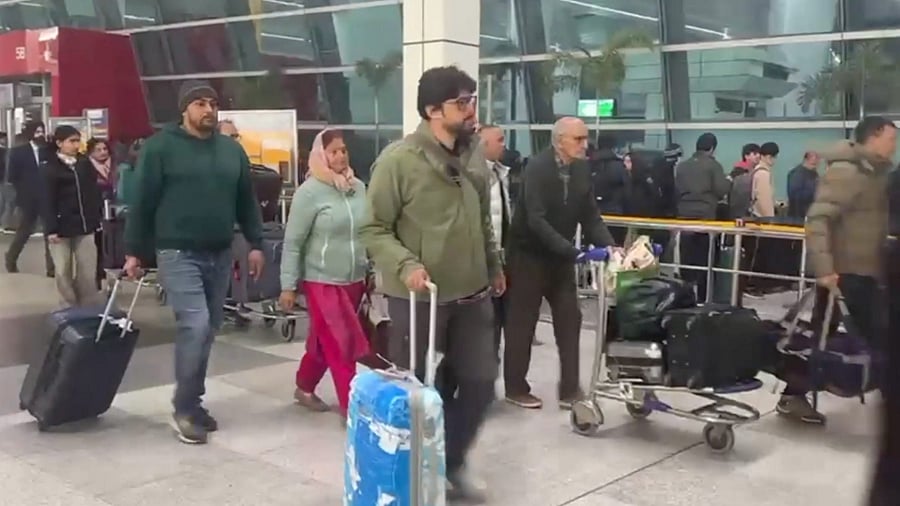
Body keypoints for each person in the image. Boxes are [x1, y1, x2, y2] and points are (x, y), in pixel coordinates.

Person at [360, 65, 503, 503]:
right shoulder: (398, 161)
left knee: (480, 384)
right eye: (462, 102)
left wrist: (494, 263)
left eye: (472, 100)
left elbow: (481, 216)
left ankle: (450, 459)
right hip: (419, 297)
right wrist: (405, 265)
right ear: (431, 109)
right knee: (420, 389)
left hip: (474, 293)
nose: (471, 110)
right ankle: (415, 470)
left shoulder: (472, 153)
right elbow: (374, 228)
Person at [123, 80, 265, 445]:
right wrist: (135, 251)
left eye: (213, 103)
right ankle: (184, 408)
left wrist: (255, 244)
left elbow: (246, 201)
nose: (208, 110)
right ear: (184, 109)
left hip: (219, 252)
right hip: (177, 252)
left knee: (210, 327)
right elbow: (143, 203)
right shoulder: (160, 148)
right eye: (200, 103)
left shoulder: (231, 152)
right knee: (196, 325)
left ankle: (194, 401)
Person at [779, 115, 895, 424]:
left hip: (864, 273)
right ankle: (792, 396)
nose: (894, 145)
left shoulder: (874, 174)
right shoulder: (847, 172)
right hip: (843, 275)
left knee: (846, 338)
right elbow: (818, 220)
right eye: (890, 138)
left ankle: (793, 395)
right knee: (841, 339)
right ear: (873, 137)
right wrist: (825, 269)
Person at [503, 117, 616, 411]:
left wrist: (609, 245)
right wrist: (571, 251)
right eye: (578, 139)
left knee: (570, 320)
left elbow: (590, 215)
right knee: (522, 323)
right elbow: (535, 219)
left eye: (585, 138)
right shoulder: (537, 168)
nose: (584, 144)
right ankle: (516, 387)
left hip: (560, 259)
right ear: (559, 140)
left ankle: (570, 388)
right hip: (528, 256)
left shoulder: (580, 169)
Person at [278, 128, 368, 422]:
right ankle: (351, 409)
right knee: (342, 344)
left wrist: (373, 267)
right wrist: (288, 286)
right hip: (322, 280)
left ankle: (304, 387)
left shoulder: (358, 187)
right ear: (321, 155)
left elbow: (368, 231)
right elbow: (293, 242)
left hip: (354, 278)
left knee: (324, 340)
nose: (340, 156)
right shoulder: (310, 192)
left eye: (344, 150)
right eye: (333, 151)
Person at [40, 126, 103, 307]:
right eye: (72, 141)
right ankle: (67, 306)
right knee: (63, 270)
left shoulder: (84, 164)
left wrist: (95, 217)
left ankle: (88, 306)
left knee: (87, 269)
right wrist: (51, 228)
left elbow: (93, 192)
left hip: (85, 226)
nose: (76, 145)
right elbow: (46, 200)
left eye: (78, 141)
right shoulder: (49, 167)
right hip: (60, 228)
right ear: (59, 143)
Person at [675, 132, 730, 301]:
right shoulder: (713, 166)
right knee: (705, 261)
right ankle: (703, 298)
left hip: (684, 218)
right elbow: (721, 190)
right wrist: (728, 181)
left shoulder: (682, 166)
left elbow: (676, 189)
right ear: (712, 148)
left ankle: (685, 296)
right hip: (705, 218)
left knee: (687, 258)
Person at [479, 124, 512, 362]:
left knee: (497, 321)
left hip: (501, 257)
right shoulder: (477, 178)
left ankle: (489, 370)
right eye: (499, 140)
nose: (504, 145)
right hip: (482, 261)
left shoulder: (501, 174)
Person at [6, 121, 54, 276]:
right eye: (37, 131)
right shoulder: (18, 152)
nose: (40, 134)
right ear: (30, 133)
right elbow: (12, 176)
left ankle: (51, 267)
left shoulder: (49, 151)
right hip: (28, 198)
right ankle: (11, 257)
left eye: (42, 131)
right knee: (25, 230)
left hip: (48, 196)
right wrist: (23, 191)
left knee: (50, 231)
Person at [86, 138, 115, 290]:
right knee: (99, 246)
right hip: (96, 212)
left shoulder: (116, 167)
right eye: (98, 150)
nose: (103, 152)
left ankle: (113, 278)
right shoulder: (87, 168)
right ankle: (98, 277)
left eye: (105, 149)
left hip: (115, 211)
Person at [589, 134, 628, 243]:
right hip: (616, 215)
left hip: (592, 214)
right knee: (615, 248)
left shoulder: (588, 164)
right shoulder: (619, 166)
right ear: (613, 146)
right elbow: (627, 192)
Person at [787, 151, 820, 220]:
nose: (815, 166)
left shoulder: (814, 173)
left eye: (816, 164)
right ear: (805, 160)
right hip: (797, 215)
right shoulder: (796, 174)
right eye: (813, 164)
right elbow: (795, 196)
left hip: (811, 213)